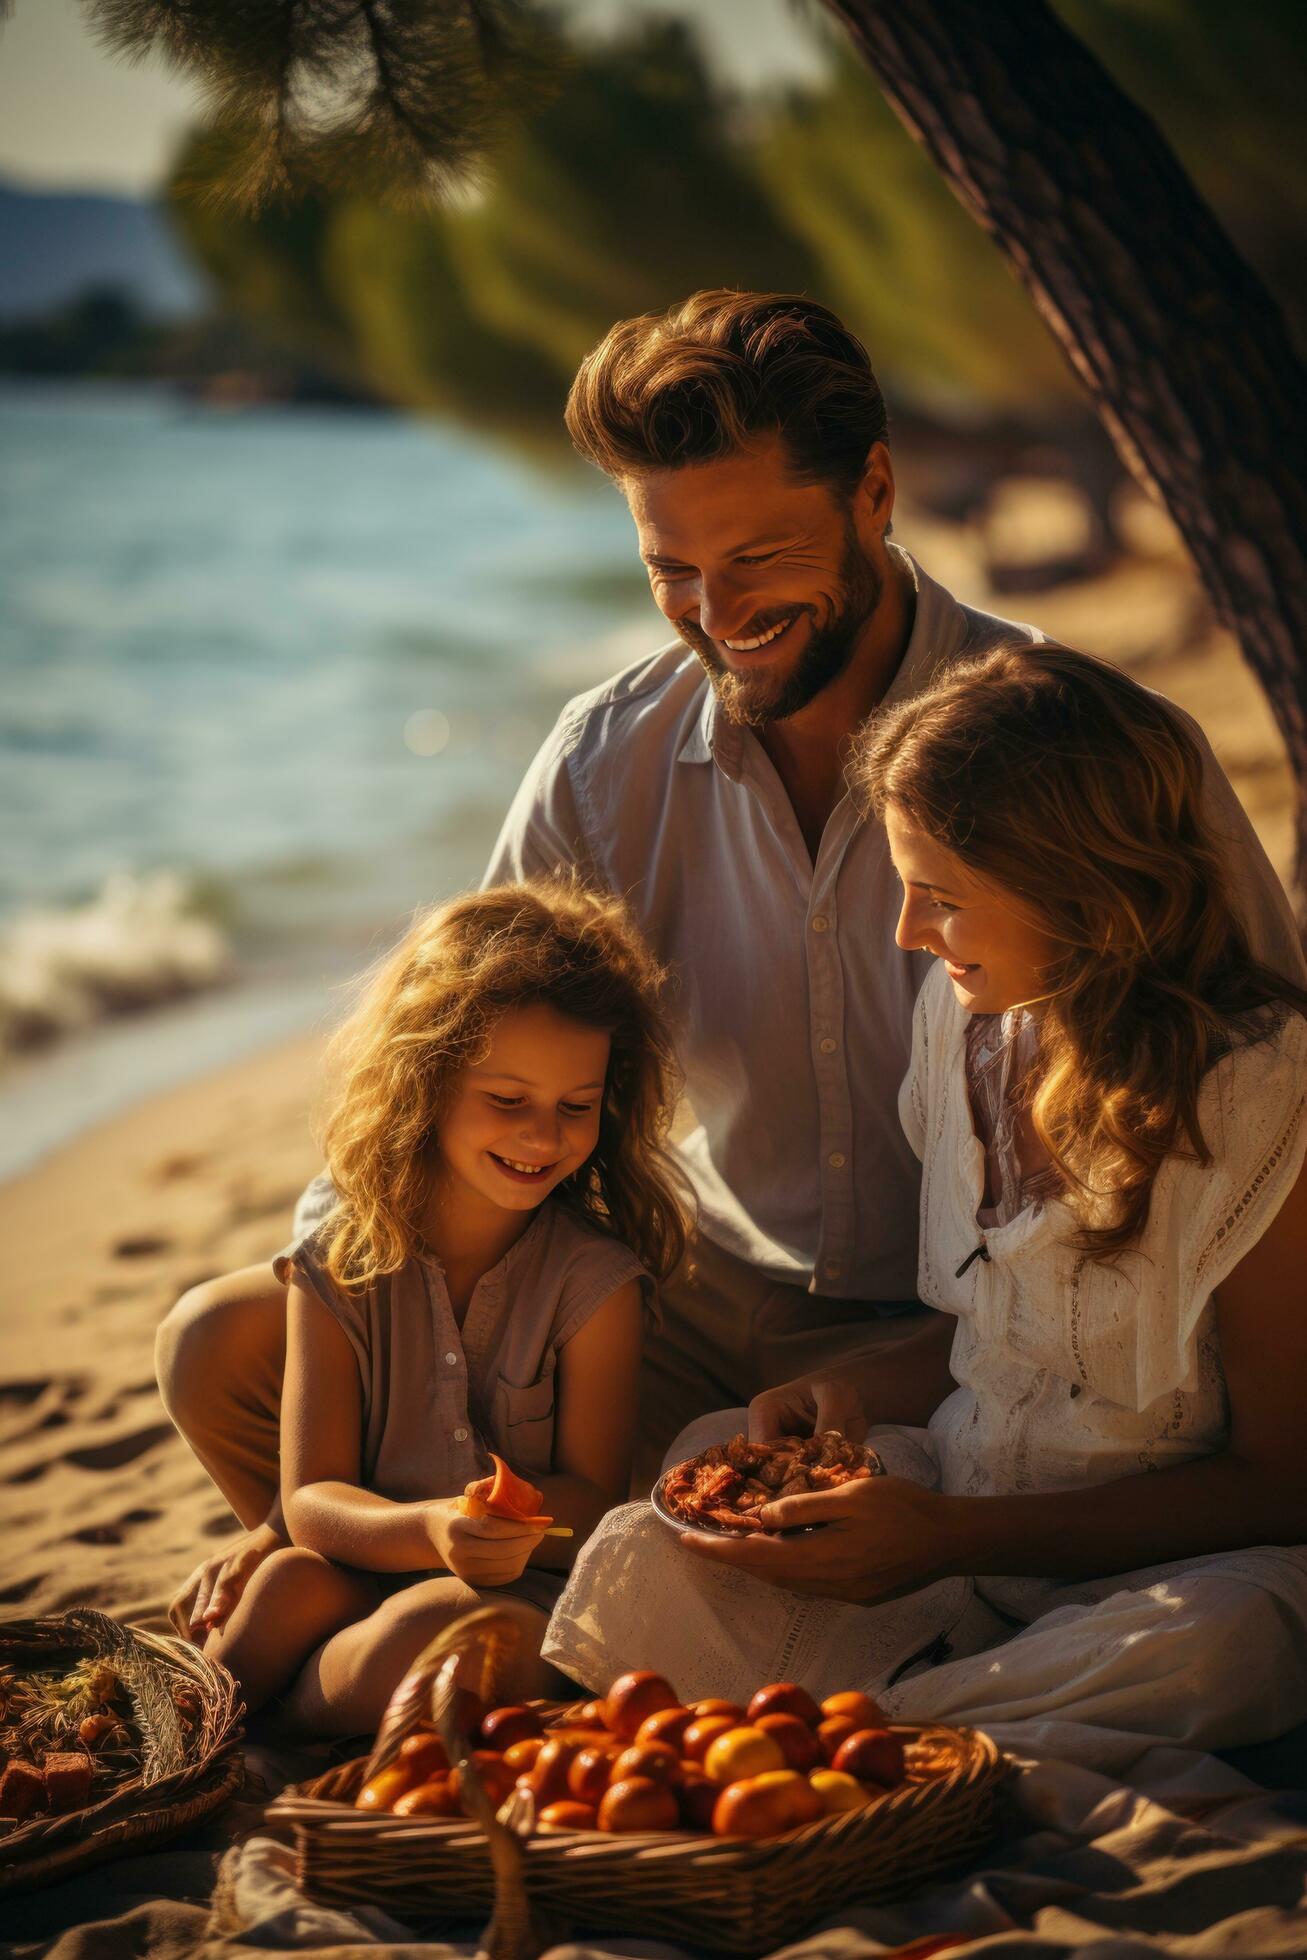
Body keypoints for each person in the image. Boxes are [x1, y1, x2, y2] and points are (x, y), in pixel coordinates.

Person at [157, 289, 1303, 1640]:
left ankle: (534, 1626)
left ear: (872, 491)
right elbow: (456, 1054)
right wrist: (332, 1349)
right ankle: (452, 1596)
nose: (714, 611)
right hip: (674, 1302)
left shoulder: (1081, 752)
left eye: (755, 556)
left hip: (968, 1340)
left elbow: (1254, 1077)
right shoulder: (605, 758)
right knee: (230, 1344)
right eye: (670, 571)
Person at [543, 645, 1307, 1770]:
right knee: (670, 1518)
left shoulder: (1256, 1094)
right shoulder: (966, 1031)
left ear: (1076, 888)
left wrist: (950, 1539)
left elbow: (1281, 1478)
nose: (905, 932)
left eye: (939, 897)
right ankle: (903, 1721)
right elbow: (999, 1338)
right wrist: (842, 1393)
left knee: (1223, 1648)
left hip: (1159, 1571)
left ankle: (865, 1729)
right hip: (953, 1519)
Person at [190, 881, 685, 1731]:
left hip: (524, 1595)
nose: (542, 1136)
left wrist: (493, 1532)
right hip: (369, 1562)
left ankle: (267, 1734)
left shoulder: (596, 1282)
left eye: (576, 1107)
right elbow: (312, 1497)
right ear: (425, 1079)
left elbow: (593, 1493)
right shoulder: (340, 1265)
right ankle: (191, 1737)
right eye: (506, 1100)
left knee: (430, 1635)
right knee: (286, 1582)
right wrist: (429, 1529)